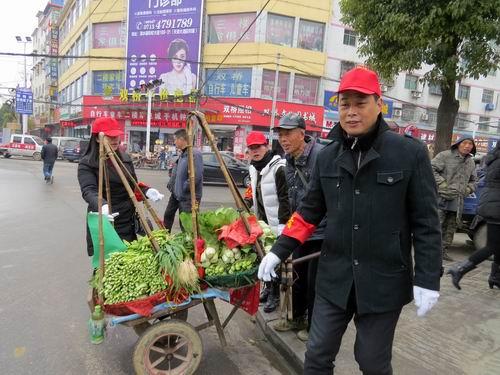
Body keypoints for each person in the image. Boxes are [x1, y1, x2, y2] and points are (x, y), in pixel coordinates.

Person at [258, 67, 442, 375]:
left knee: (371, 362)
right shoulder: (328, 156)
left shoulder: (408, 153)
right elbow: (309, 211)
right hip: (335, 277)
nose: (352, 112)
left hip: (384, 280)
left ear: (378, 104)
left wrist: (427, 277)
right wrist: (279, 249)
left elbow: (426, 222)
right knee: (316, 357)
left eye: (360, 103)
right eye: (345, 104)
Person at [78, 117, 164, 256]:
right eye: (110, 136)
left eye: (116, 136)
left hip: (127, 220)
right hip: (106, 219)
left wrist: (146, 191)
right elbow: (89, 190)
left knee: (130, 259)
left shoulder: (125, 159)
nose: (115, 140)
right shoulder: (87, 163)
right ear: (98, 138)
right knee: (107, 266)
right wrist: (102, 205)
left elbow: (132, 185)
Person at [275, 113, 326, 341]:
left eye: (288, 134)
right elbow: (292, 196)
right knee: (296, 276)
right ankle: (296, 317)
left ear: (302, 134)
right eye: (280, 135)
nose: (283, 139)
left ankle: (315, 326)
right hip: (299, 228)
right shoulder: (288, 160)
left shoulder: (320, 157)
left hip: (321, 230)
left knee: (316, 282)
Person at [244, 130, 290, 313]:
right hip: (262, 222)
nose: (255, 151)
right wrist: (247, 202)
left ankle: (275, 295)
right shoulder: (254, 167)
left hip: (277, 222)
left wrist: (283, 223)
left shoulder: (279, 167)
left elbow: (286, 198)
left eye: (258, 147)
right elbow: (254, 191)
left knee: (276, 259)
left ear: (267, 147)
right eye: (251, 148)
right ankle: (268, 288)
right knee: (265, 256)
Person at [447, 142, 500, 289]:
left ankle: (496, 276)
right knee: (492, 246)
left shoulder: (494, 159)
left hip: (491, 203)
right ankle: (459, 269)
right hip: (497, 206)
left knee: (496, 244)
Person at [431, 137, 477, 261]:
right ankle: (431, 252)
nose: (467, 146)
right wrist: (442, 184)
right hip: (441, 197)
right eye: (465, 143)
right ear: (458, 144)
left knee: (451, 227)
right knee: (436, 225)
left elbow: (474, 180)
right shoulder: (445, 156)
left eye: (470, 144)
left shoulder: (471, 162)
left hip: (458, 200)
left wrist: (468, 190)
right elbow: (431, 169)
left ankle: (443, 251)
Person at [163, 129, 203, 232]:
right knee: (168, 215)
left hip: (188, 197)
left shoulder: (194, 154)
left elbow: (196, 176)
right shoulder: (183, 154)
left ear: (182, 139)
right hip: (176, 195)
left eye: (175, 140)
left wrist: (184, 188)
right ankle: (164, 238)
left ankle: (188, 244)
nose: (174, 142)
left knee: (185, 224)